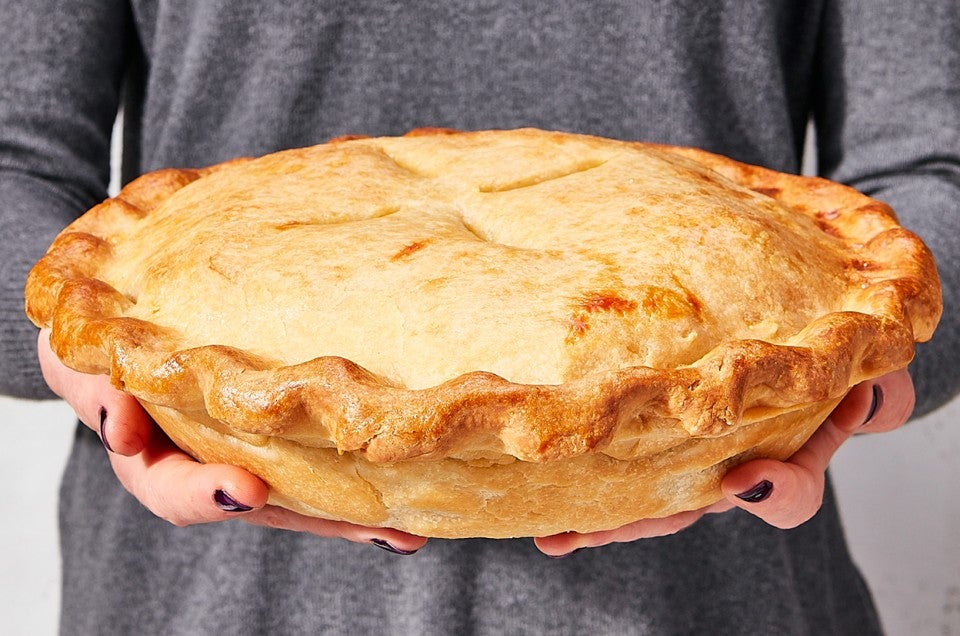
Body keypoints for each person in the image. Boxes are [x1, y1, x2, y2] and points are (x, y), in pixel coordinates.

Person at [2, 1, 957, 634]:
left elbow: (934, 167)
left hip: (723, 597)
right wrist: (73, 359)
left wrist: (872, 377)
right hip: (204, 600)